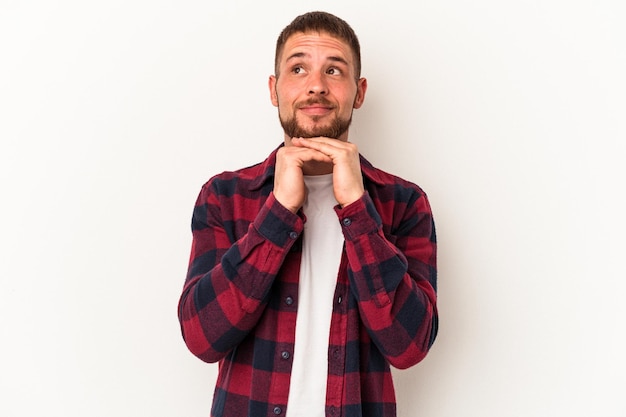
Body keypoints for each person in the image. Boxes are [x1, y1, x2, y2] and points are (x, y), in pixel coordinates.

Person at [178, 11, 438, 417]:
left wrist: (357, 209)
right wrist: (279, 211)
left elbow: (409, 346)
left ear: (359, 92)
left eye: (334, 70)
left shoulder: (403, 203)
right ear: (274, 88)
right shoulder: (225, 197)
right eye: (298, 68)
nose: (316, 85)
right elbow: (202, 337)